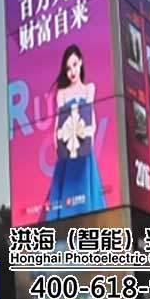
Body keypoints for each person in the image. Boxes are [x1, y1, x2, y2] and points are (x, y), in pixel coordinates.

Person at [43, 44, 106, 221]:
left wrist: (87, 141)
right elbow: (58, 125)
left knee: (86, 200)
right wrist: (59, 148)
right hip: (66, 156)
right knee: (64, 204)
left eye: (75, 65)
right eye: (68, 68)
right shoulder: (61, 93)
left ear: (81, 62)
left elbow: (91, 118)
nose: (72, 71)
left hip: (84, 151)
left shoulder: (89, 89)